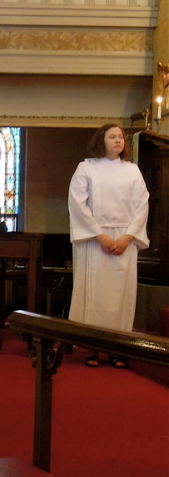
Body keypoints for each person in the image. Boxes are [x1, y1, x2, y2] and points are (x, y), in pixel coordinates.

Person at [68, 123, 149, 368]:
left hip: (124, 240)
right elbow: (77, 203)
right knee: (95, 295)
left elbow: (142, 204)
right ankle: (93, 348)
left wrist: (129, 236)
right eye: (112, 136)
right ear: (100, 141)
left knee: (121, 297)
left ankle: (118, 349)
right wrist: (99, 235)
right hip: (95, 241)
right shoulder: (86, 168)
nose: (118, 140)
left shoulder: (132, 171)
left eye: (121, 137)